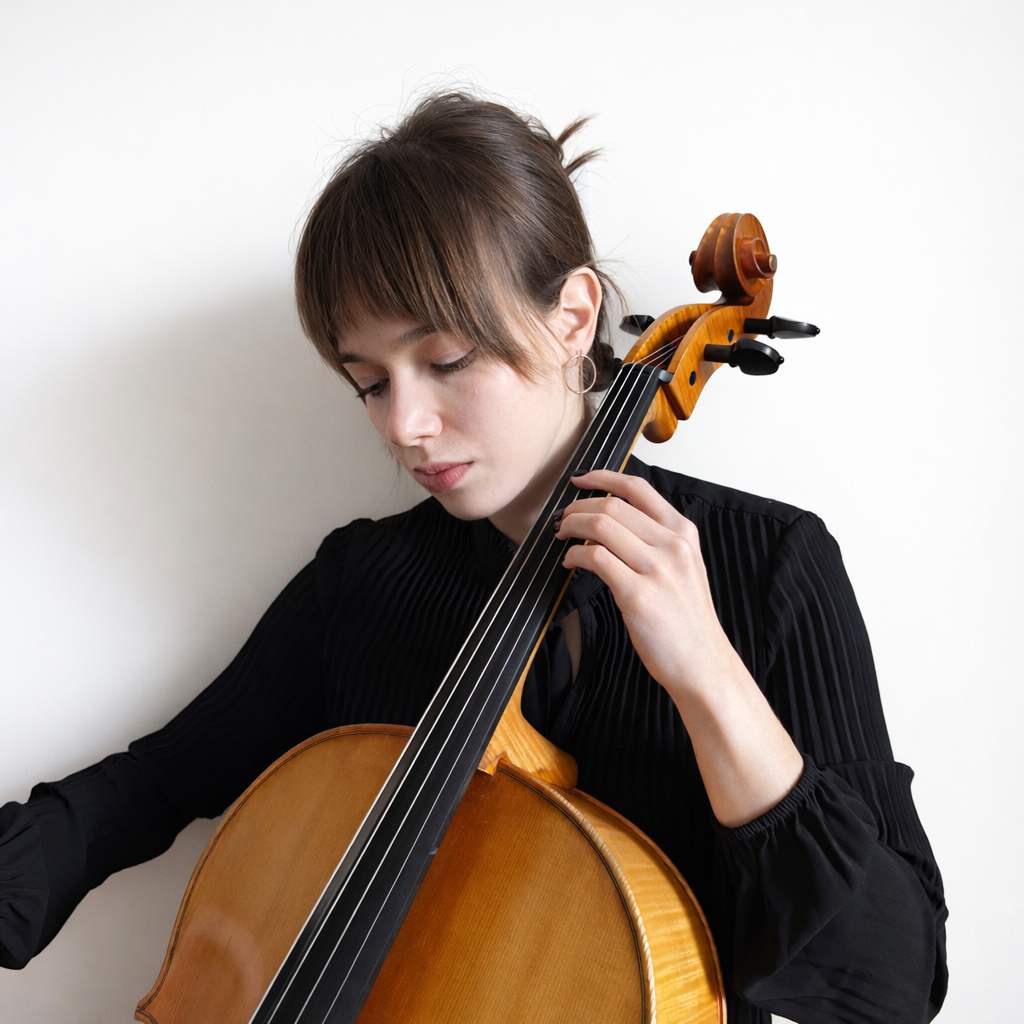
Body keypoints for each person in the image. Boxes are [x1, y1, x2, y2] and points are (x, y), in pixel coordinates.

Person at [0, 92, 947, 1023]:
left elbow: (892, 984)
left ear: (574, 317)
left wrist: (708, 674)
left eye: (446, 361)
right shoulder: (360, 582)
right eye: (369, 383)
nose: (405, 426)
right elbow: (154, 784)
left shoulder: (770, 565)